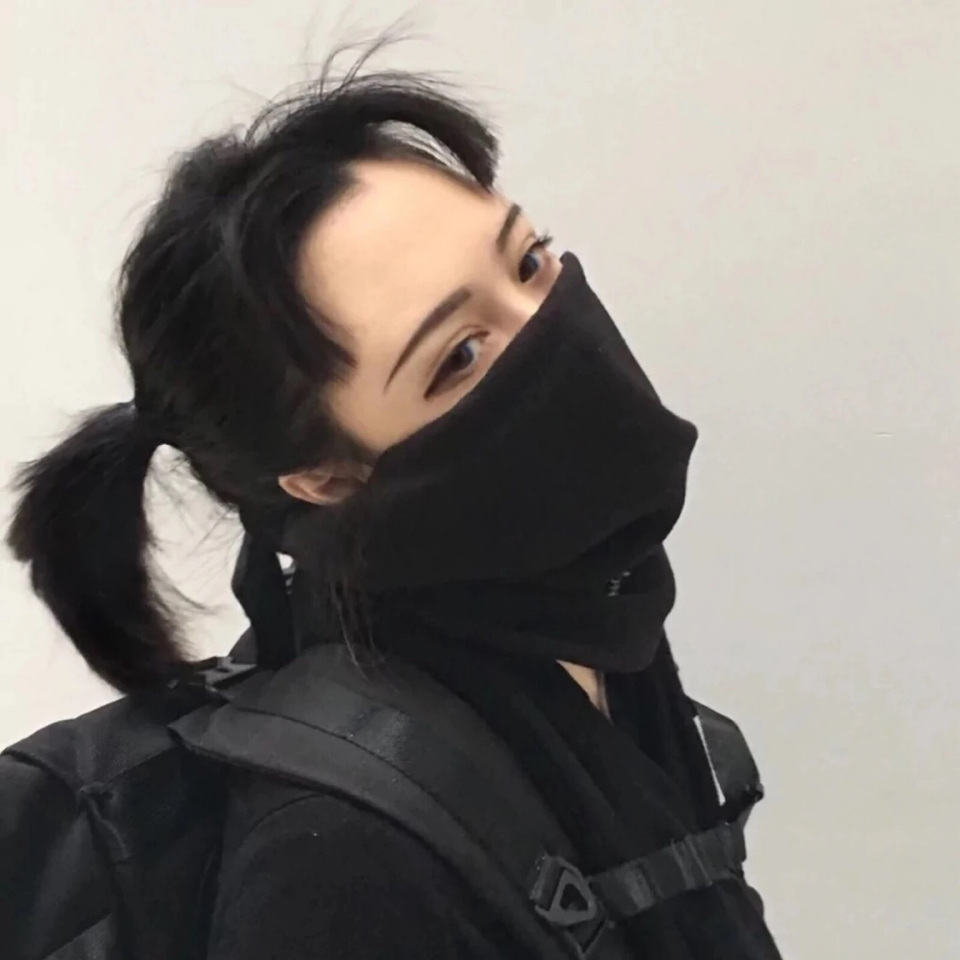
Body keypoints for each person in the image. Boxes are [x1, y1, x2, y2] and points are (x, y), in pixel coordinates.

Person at [6, 46, 782, 960]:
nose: (548, 330)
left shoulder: (584, 617)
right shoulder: (338, 867)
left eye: (529, 262)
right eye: (459, 355)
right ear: (326, 477)